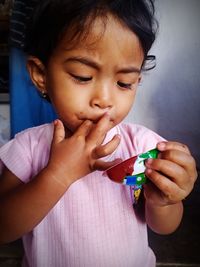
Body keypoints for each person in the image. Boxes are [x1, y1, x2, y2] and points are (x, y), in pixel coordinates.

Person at [0, 1, 197, 266]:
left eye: (123, 83)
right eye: (83, 76)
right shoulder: (28, 148)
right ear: (41, 75)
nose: (104, 100)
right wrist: (58, 175)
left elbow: (164, 228)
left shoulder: (142, 146)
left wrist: (164, 201)